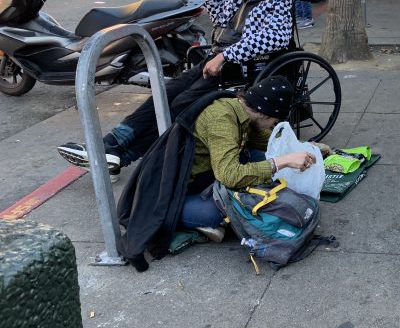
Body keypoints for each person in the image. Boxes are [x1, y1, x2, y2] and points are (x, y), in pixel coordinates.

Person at [57, 0, 294, 179]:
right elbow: (219, 16)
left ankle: (121, 155)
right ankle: (110, 143)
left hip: (243, 66)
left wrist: (226, 56)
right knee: (164, 94)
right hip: (217, 59)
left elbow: (275, 38)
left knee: (180, 105)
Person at [116, 76, 317, 271]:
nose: (273, 125)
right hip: (175, 193)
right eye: (274, 121)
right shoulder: (222, 118)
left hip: (208, 176)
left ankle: (209, 218)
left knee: (259, 157)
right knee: (218, 214)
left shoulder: (245, 111)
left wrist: (306, 148)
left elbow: (266, 141)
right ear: (264, 112)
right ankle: (194, 225)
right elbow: (229, 175)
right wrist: (283, 161)